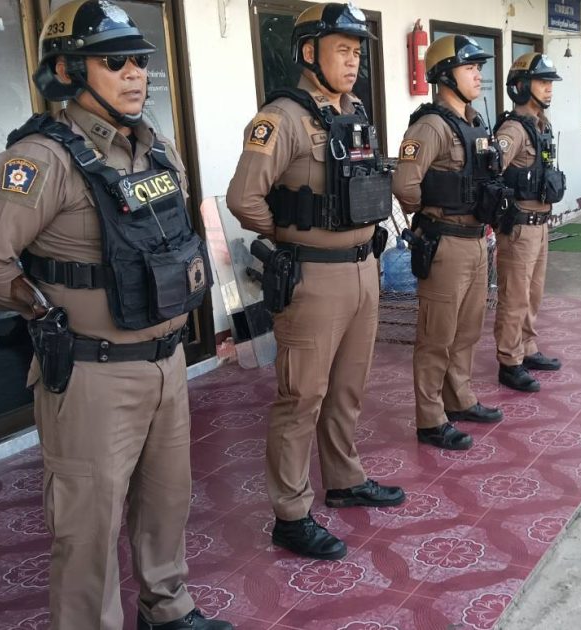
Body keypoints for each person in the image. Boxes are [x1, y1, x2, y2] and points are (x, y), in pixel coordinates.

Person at [0, 2, 229, 628]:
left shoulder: (155, 148)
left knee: (167, 501)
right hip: (92, 374)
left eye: (139, 60)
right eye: (114, 62)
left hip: (166, 365)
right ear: (67, 71)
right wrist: (42, 311)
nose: (134, 73)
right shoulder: (41, 160)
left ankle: (168, 607)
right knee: (88, 525)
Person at [227, 2, 405, 561]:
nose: (353, 62)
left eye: (357, 52)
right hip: (314, 278)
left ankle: (345, 478)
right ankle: (291, 513)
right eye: (341, 50)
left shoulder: (355, 112)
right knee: (301, 395)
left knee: (349, 386)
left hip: (363, 268)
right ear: (309, 52)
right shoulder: (281, 118)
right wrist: (293, 232)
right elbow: (243, 198)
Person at [392, 34, 512, 451]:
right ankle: (430, 418)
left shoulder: (475, 122)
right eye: (469, 68)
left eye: (479, 68)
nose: (478, 75)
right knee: (436, 336)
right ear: (444, 75)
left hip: (476, 240)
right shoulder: (430, 127)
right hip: (445, 243)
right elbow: (404, 185)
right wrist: (433, 210)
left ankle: (458, 398)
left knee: (467, 330)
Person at [493, 53, 567, 393]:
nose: (549, 88)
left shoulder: (541, 125)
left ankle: (527, 346)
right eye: (542, 82)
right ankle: (509, 361)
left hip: (540, 224)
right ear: (521, 86)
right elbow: (491, 169)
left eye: (550, 82)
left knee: (533, 293)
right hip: (519, 226)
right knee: (515, 296)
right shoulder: (513, 130)